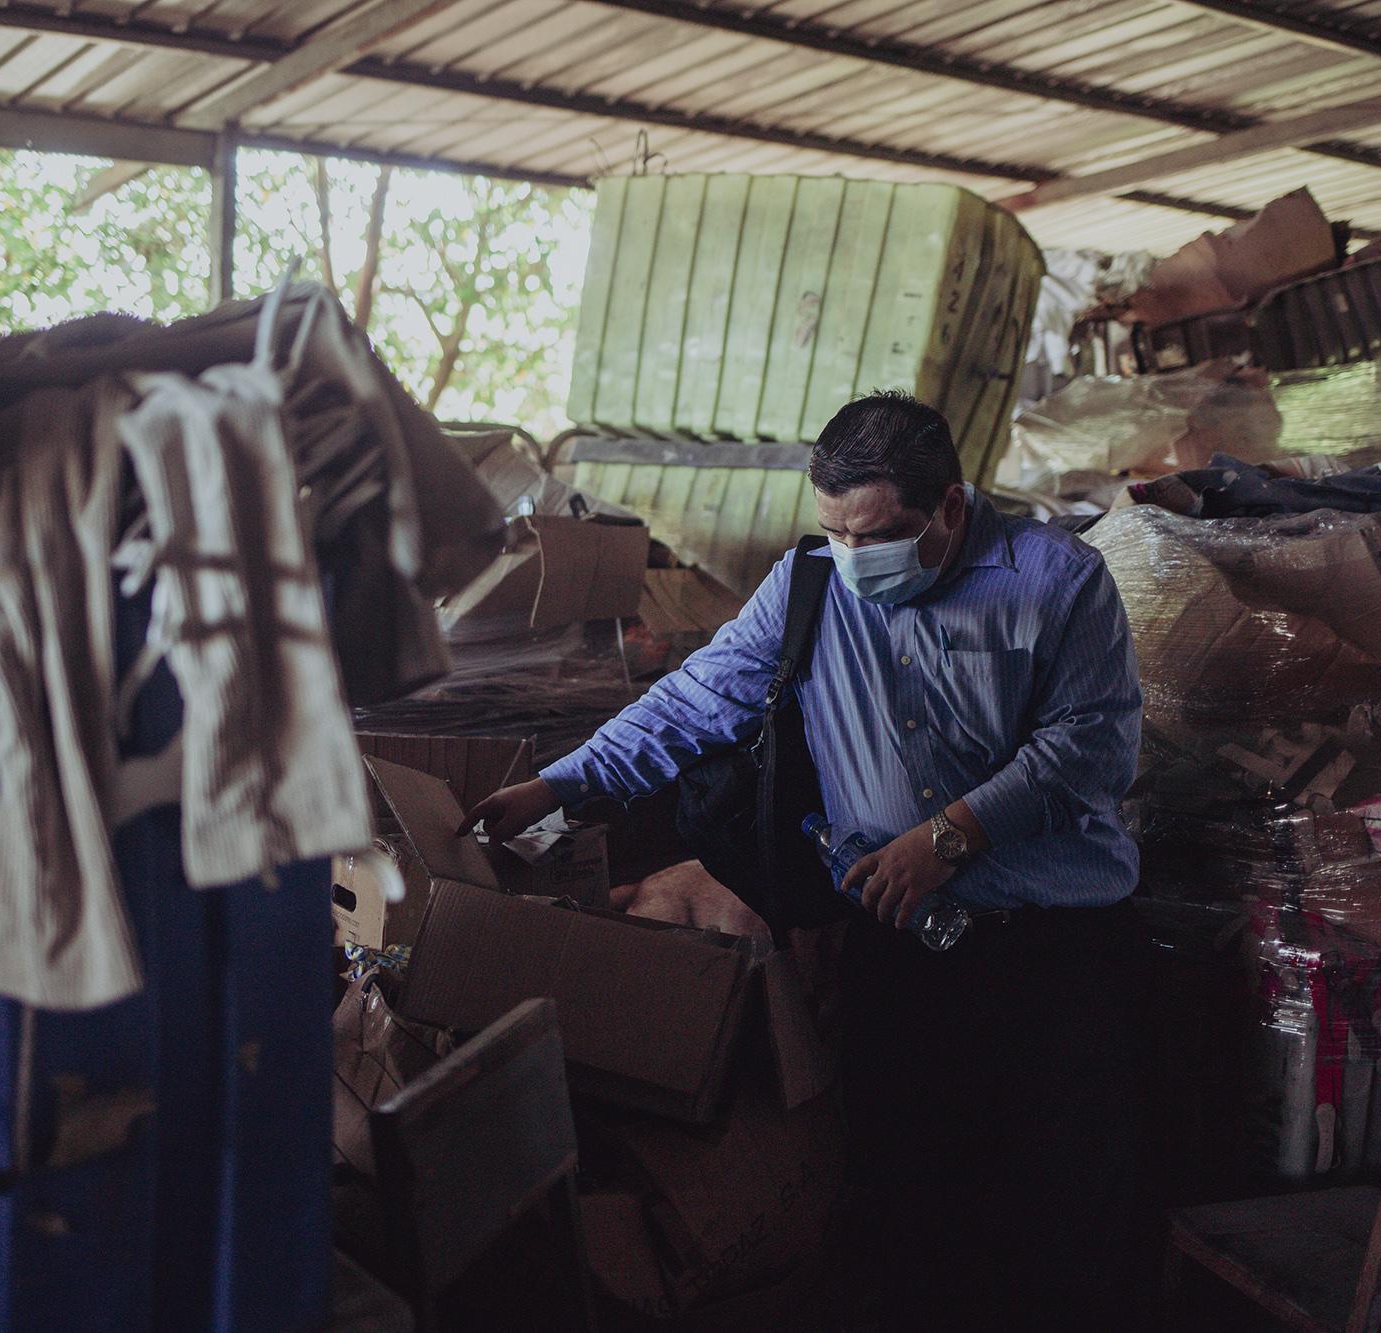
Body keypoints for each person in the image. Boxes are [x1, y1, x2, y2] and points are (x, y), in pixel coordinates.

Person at [463, 390, 1153, 1329]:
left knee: (1058, 1211)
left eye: (879, 535)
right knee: (906, 1200)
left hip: (1051, 955)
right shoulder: (810, 585)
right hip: (898, 953)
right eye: (834, 531)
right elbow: (689, 704)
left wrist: (948, 836)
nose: (854, 557)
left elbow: (1091, 746)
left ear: (950, 507)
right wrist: (551, 787)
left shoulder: (1058, 582)